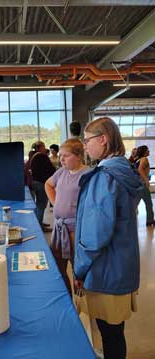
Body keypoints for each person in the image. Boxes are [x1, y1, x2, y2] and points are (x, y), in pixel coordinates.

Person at [74, 117, 142, 359]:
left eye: (87, 140)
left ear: (103, 139)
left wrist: (79, 270)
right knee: (115, 331)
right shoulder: (123, 170)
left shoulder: (105, 177)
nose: (84, 146)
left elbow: (94, 236)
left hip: (105, 269)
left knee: (109, 332)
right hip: (120, 266)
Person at [45, 139, 88, 295]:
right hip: (59, 229)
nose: (61, 159)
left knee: (79, 270)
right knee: (58, 268)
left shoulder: (88, 174)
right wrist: (56, 203)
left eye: (66, 155)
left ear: (78, 156)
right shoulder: (61, 172)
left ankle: (81, 302)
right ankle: (66, 298)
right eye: (61, 155)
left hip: (76, 231)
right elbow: (48, 185)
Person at [30, 140, 55, 231]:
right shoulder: (42, 157)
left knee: (39, 204)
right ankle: (39, 226)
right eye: (44, 146)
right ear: (40, 147)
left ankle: (39, 222)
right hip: (42, 183)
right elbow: (50, 169)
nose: (45, 148)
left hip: (35, 182)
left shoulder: (33, 156)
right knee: (41, 205)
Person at [135, 145, 155, 226]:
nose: (149, 151)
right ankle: (150, 221)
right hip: (142, 184)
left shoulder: (138, 160)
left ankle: (127, 220)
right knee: (149, 203)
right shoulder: (144, 159)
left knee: (135, 203)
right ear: (144, 151)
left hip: (138, 184)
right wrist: (146, 181)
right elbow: (140, 169)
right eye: (147, 150)